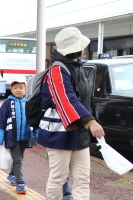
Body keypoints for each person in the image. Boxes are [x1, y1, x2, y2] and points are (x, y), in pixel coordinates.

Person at [37, 27, 105, 200]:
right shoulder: (56, 71)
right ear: (78, 48)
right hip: (59, 133)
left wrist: (89, 121)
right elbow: (65, 99)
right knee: (59, 177)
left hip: (78, 131)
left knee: (83, 178)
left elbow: (83, 100)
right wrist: (90, 122)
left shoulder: (77, 67)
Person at [0, 77, 33, 194]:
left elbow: (34, 120)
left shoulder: (28, 103)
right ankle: (20, 183)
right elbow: (0, 122)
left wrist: (37, 134)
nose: (18, 90)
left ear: (25, 89)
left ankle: (11, 175)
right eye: (15, 88)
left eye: (21, 88)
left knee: (19, 159)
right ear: (11, 90)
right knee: (18, 161)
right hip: (12, 137)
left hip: (25, 136)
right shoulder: (7, 104)